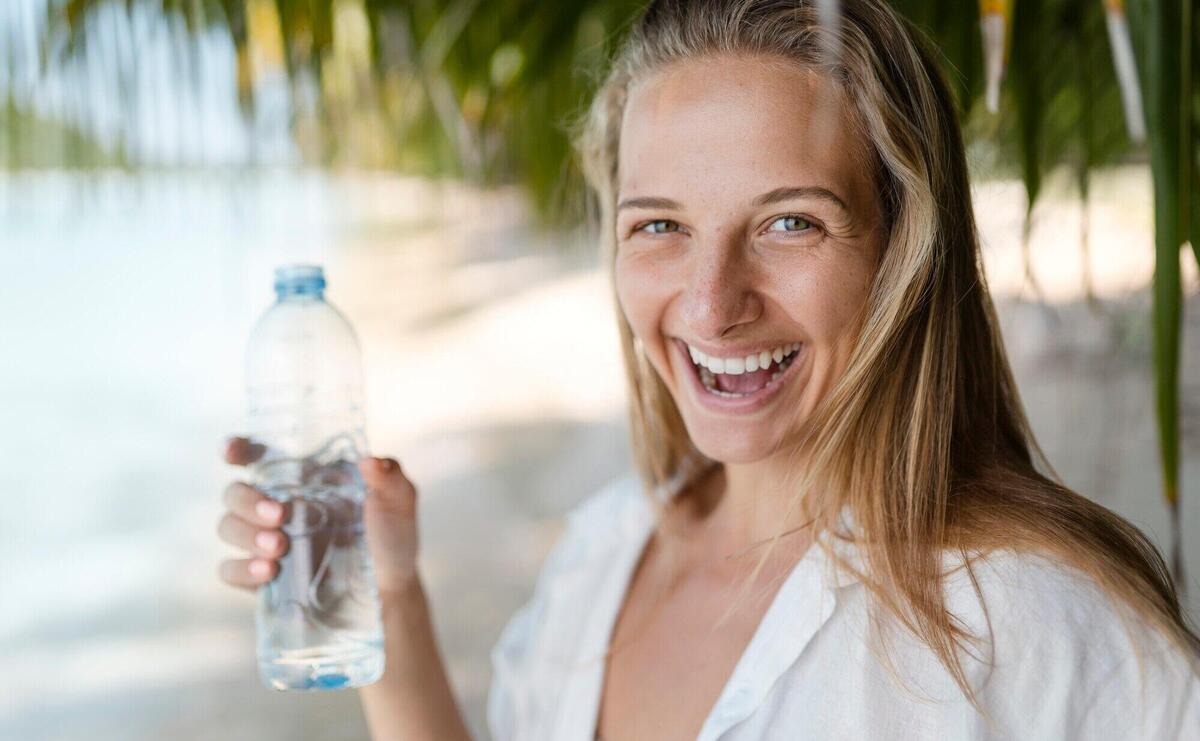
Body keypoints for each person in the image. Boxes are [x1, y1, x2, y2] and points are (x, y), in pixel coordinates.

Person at [217, 0, 1200, 738]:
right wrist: (389, 598)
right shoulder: (604, 554)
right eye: (661, 226)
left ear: (904, 250)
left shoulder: (1045, 626)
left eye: (789, 222)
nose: (708, 302)